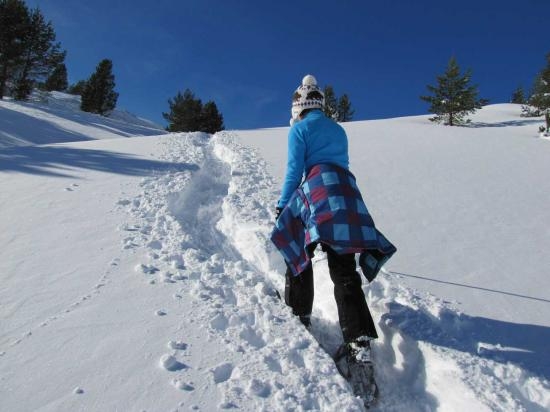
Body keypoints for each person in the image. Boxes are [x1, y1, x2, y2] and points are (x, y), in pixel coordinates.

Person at [270, 74, 396, 367]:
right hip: (347, 193)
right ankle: (358, 341)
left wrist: (282, 206)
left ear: (298, 106)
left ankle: (299, 312)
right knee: (344, 270)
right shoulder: (338, 131)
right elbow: (341, 165)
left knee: (300, 249)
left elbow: (294, 171)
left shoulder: (299, 129)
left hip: (318, 190)